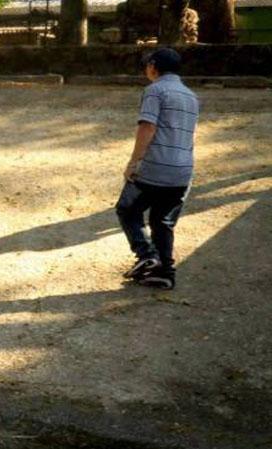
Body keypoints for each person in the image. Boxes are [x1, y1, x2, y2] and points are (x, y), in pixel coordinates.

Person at [115, 48, 198, 290]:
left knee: (127, 209)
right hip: (182, 171)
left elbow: (147, 128)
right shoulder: (191, 96)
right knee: (163, 221)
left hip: (155, 167)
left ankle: (146, 255)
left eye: (147, 65)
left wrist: (134, 162)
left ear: (153, 65)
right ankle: (165, 271)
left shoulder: (155, 90)